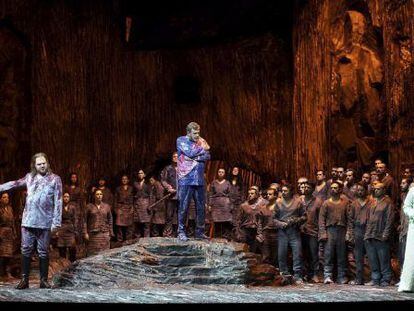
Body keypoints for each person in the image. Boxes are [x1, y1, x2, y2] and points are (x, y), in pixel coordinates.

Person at [0, 152, 62, 289]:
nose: (42, 166)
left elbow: (58, 201)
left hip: (45, 222)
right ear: (34, 165)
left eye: (44, 163)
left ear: (48, 163)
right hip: (28, 221)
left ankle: (44, 280)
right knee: (26, 250)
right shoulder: (30, 177)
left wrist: (56, 222)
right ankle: (24, 280)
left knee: (43, 251)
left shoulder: (55, 179)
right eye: (39, 164)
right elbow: (14, 184)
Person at [176, 122, 211, 241]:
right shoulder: (181, 140)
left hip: (199, 179)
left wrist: (195, 156)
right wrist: (202, 149)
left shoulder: (201, 140)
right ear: (188, 132)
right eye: (195, 133)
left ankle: (199, 232)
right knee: (184, 206)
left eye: (198, 133)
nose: (197, 136)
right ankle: (181, 231)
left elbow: (208, 156)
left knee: (201, 207)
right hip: (186, 178)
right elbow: (190, 153)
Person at [319, 181, 352, 284]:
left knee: (341, 254)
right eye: (332, 188)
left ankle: (341, 276)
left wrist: (348, 233)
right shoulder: (326, 203)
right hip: (330, 230)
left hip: (341, 230)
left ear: (340, 189)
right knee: (328, 254)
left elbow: (349, 219)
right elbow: (321, 219)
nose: (333, 189)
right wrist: (323, 233)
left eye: (336, 188)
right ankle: (327, 275)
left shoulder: (345, 203)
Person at [274, 183, 306, 284]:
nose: (283, 192)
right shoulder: (278, 203)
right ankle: (284, 274)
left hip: (294, 231)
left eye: (285, 191)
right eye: (282, 191)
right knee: (281, 253)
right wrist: (281, 224)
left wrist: (296, 220)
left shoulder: (298, 202)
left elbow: (305, 216)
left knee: (297, 253)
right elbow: (273, 219)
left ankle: (298, 275)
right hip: (282, 231)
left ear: (291, 191)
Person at [364, 182, 394, 286]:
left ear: (384, 190)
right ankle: (375, 279)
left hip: (381, 235)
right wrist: (367, 234)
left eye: (378, 189)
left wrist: (386, 234)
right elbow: (368, 218)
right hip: (370, 234)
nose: (376, 190)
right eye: (375, 189)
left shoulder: (388, 202)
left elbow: (390, 220)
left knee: (383, 259)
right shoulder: (372, 202)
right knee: (373, 259)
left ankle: (386, 279)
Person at [349, 183, 371, 285]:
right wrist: (351, 232)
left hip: (368, 230)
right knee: (358, 256)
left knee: (370, 255)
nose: (360, 192)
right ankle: (359, 278)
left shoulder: (371, 203)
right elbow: (350, 219)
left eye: (362, 190)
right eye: (358, 190)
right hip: (358, 230)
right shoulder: (354, 203)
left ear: (366, 190)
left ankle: (372, 278)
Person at [301, 181, 323, 283]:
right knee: (303, 254)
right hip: (300, 231)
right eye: (304, 187)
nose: (305, 189)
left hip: (313, 231)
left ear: (313, 189)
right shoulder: (299, 200)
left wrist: (320, 231)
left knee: (314, 254)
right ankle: (305, 274)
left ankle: (314, 274)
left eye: (308, 187)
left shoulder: (318, 202)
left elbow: (321, 218)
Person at [83, 189, 114, 256]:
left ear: (102, 196)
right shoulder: (89, 206)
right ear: (94, 196)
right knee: (92, 254)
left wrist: (110, 232)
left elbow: (110, 219)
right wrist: (85, 233)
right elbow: (84, 220)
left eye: (100, 194)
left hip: (104, 233)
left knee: (105, 254)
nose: (99, 196)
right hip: (93, 234)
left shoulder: (106, 206)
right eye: (97, 194)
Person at [235, 186, 265, 253]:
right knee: (246, 248)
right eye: (249, 193)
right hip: (246, 229)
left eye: (252, 193)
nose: (250, 195)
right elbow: (238, 219)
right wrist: (238, 232)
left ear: (257, 194)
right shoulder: (244, 206)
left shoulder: (261, 204)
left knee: (256, 249)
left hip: (257, 229)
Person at [208, 168, 233, 240]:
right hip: (216, 204)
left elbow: (230, 194)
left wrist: (230, 205)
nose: (221, 173)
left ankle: (225, 238)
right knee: (216, 221)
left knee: (225, 221)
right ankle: (217, 238)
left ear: (224, 174)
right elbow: (211, 194)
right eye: (219, 172)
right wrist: (210, 204)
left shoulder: (227, 183)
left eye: (222, 172)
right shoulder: (213, 183)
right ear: (217, 173)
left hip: (225, 203)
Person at [257, 188, 278, 266]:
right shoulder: (263, 208)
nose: (268, 196)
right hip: (266, 232)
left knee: (276, 254)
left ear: (275, 195)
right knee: (266, 254)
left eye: (270, 194)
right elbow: (260, 222)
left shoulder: (280, 208)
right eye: (267, 194)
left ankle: (276, 273)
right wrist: (259, 233)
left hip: (277, 232)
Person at [398, 183, 414, 292]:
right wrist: (413, 213)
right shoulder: (413, 190)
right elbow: (406, 206)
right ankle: (409, 285)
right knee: (412, 255)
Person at [160, 152, 179, 237]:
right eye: (174, 156)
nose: (175, 158)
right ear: (172, 158)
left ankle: (180, 233)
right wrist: (168, 188)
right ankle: (168, 234)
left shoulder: (184, 169)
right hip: (170, 196)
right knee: (169, 216)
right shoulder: (167, 169)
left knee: (181, 215)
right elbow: (163, 180)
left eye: (177, 157)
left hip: (181, 196)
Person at [397, 178, 411, 285]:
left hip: (409, 229)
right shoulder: (403, 197)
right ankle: (403, 278)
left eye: (404, 183)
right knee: (402, 255)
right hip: (403, 229)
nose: (401, 185)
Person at [56, 192, 77, 262]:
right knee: (62, 250)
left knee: (72, 250)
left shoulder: (73, 207)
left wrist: (75, 230)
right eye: (64, 196)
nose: (66, 198)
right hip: (61, 229)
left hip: (70, 229)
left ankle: (72, 266)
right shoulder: (59, 207)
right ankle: (63, 266)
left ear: (69, 198)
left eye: (67, 197)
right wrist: (56, 231)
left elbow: (75, 219)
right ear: (62, 198)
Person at [0, 192, 16, 280]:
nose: (6, 199)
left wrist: (14, 233)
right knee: (2, 254)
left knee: (9, 254)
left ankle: (7, 271)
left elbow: (13, 222)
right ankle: (2, 272)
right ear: (1, 199)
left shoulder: (10, 208)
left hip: (9, 232)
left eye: (7, 197)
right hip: (2, 232)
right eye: (4, 197)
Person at [113, 175, 134, 242]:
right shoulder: (118, 189)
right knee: (119, 225)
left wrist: (132, 208)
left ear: (128, 180)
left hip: (128, 208)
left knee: (129, 226)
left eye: (125, 179)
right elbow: (115, 199)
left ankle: (128, 240)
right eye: (123, 179)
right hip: (120, 208)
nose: (124, 180)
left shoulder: (131, 188)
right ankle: (119, 240)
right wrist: (116, 209)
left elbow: (133, 199)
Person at [132, 170, 152, 238]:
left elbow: (151, 195)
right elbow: (132, 194)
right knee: (137, 223)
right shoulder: (135, 184)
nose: (140, 174)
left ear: (144, 175)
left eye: (141, 173)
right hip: (137, 204)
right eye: (139, 173)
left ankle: (146, 239)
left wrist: (150, 205)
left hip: (146, 204)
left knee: (146, 223)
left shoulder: (148, 184)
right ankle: (137, 239)